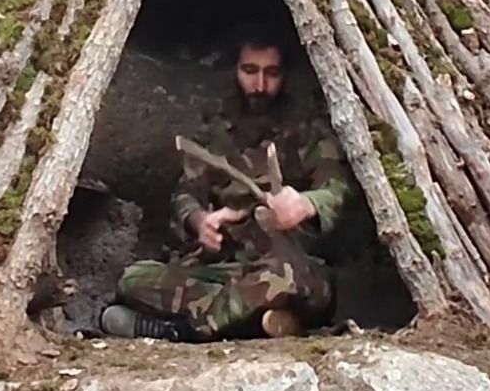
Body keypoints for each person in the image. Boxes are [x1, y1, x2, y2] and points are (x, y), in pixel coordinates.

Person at [101, 26, 351, 341]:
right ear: (234, 70)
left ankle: (185, 331)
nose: (260, 85)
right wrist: (200, 221)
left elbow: (336, 188)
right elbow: (186, 194)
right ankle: (255, 321)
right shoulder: (215, 135)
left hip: (295, 270)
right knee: (133, 279)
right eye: (250, 71)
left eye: (271, 73)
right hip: (229, 270)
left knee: (279, 277)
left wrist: (305, 205)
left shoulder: (308, 132)